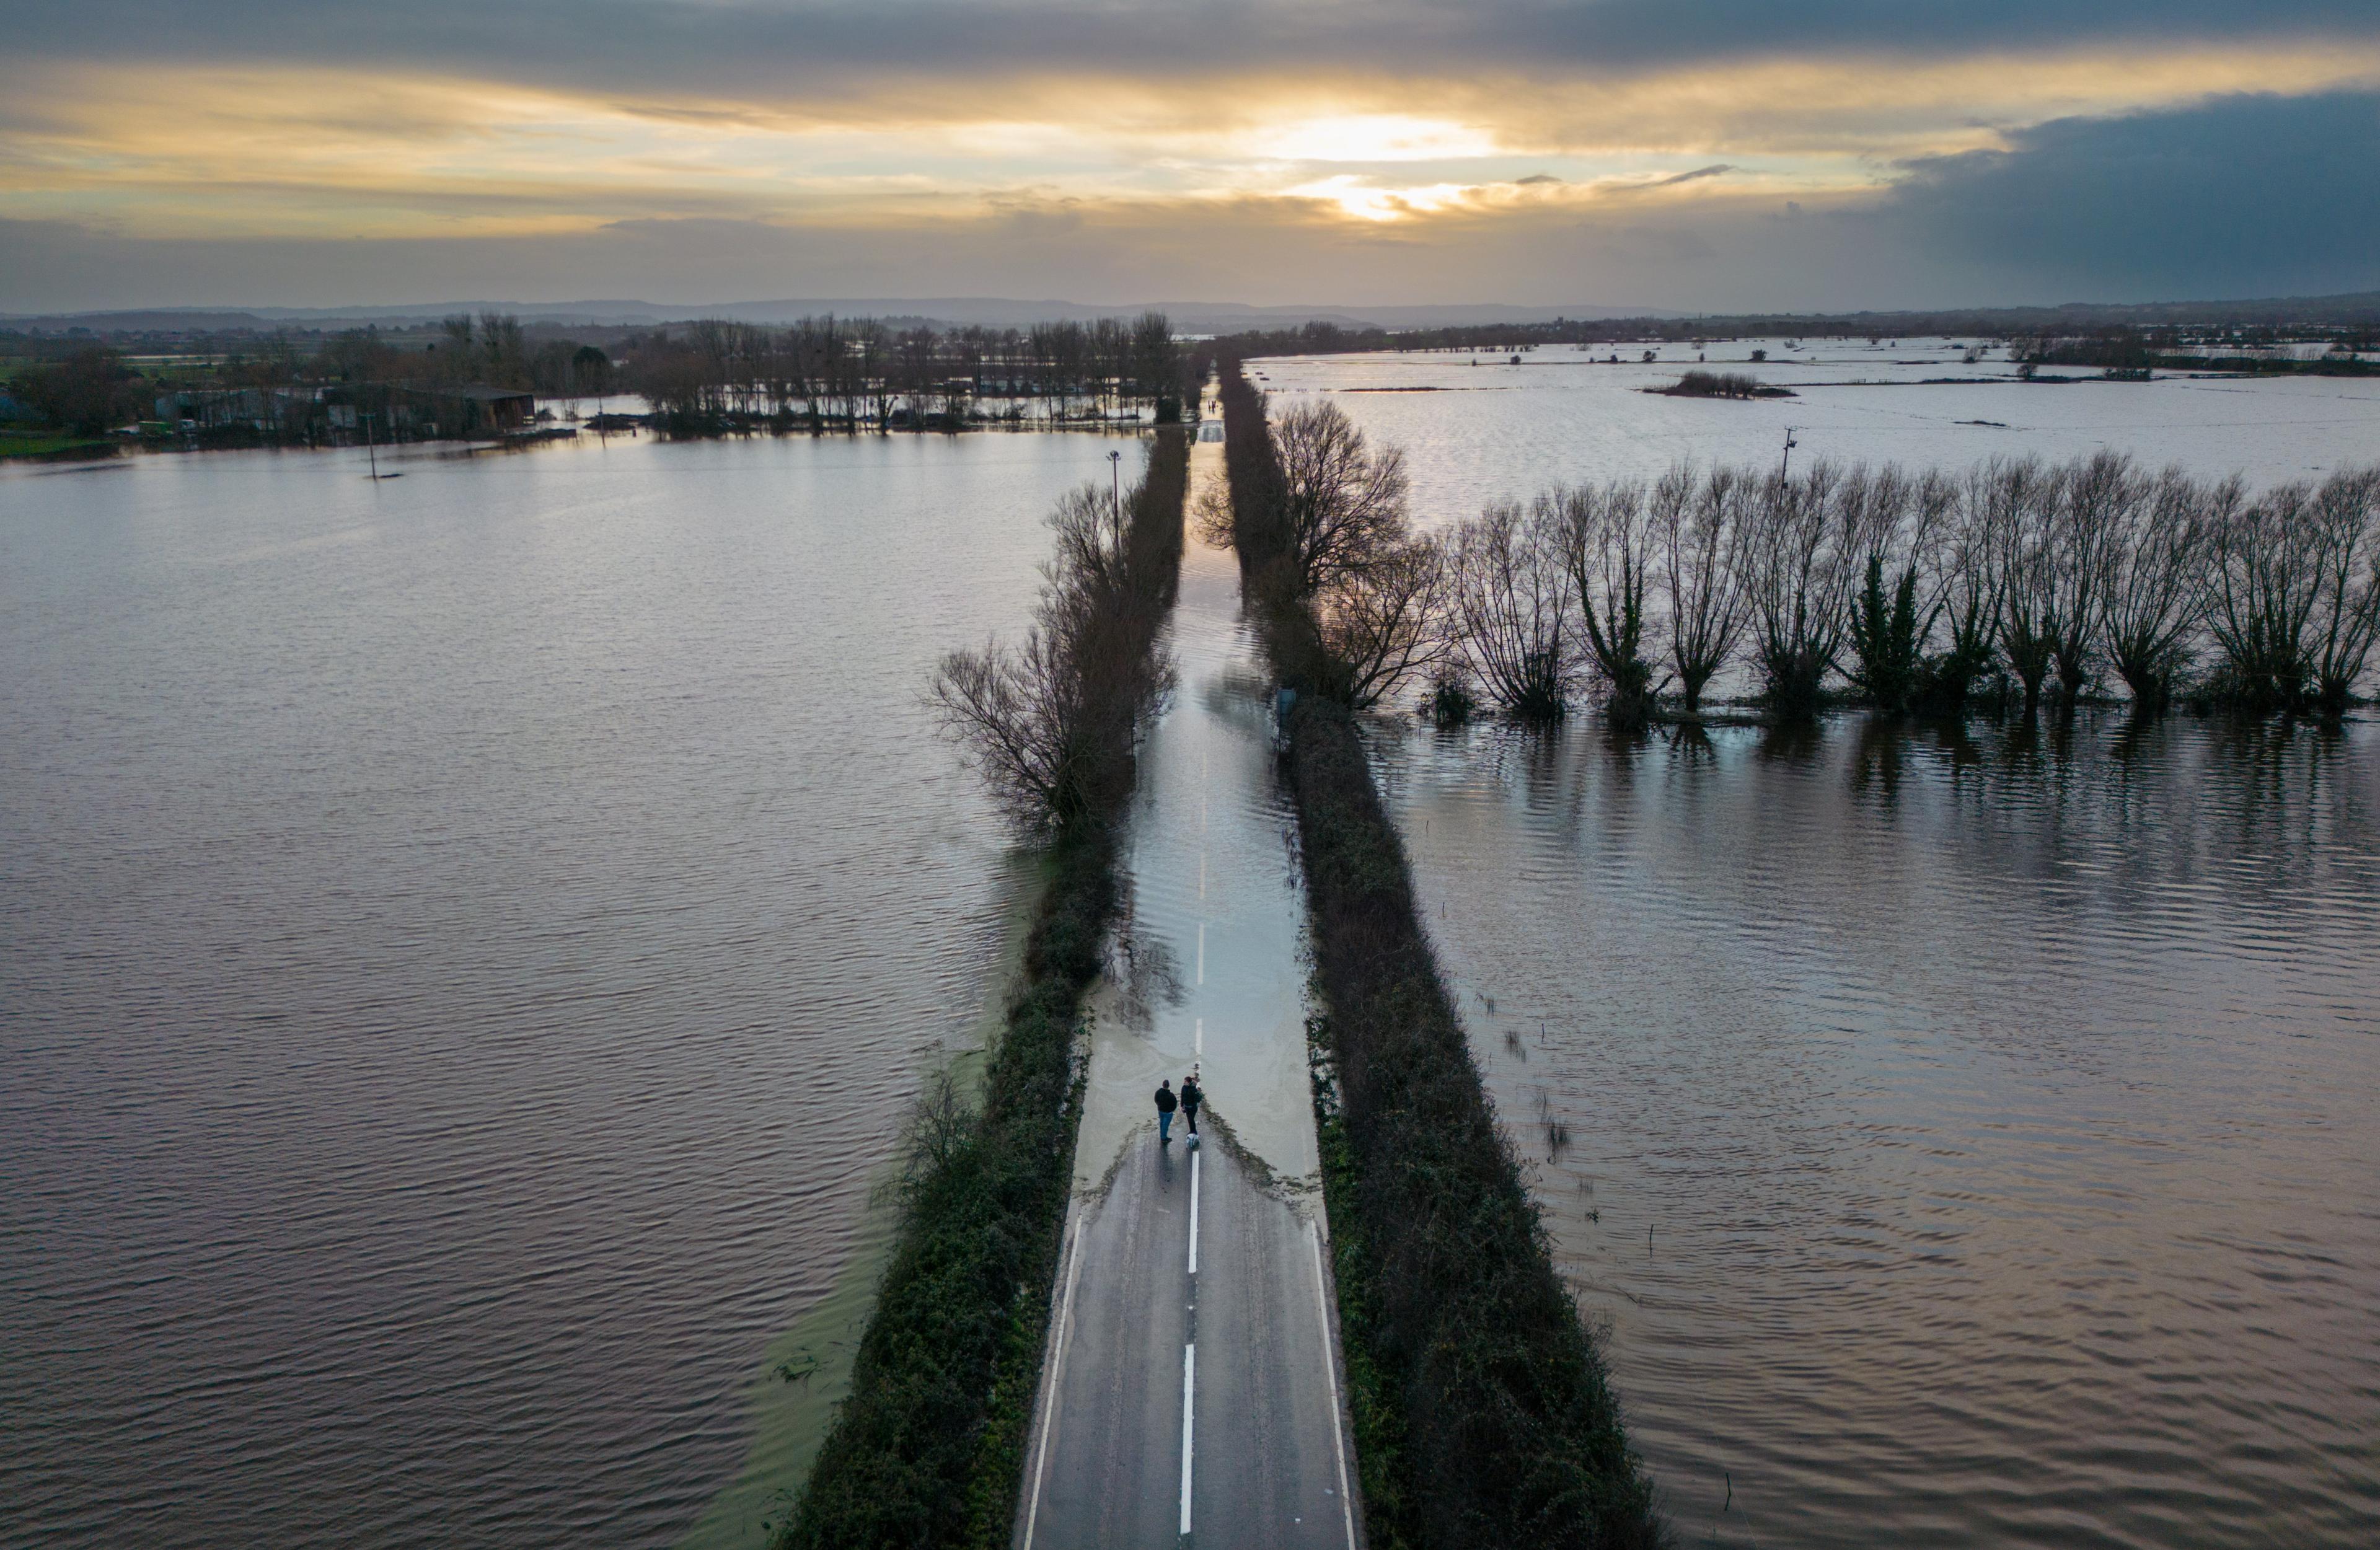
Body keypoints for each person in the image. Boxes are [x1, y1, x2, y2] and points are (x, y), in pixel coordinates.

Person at [1179, 1070, 1203, 1137]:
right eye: (1184, 1081)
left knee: (1191, 1119)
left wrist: (1195, 1103)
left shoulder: (1193, 1089)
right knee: (1189, 1120)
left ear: (1189, 1082)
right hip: (1186, 1106)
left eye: (1186, 1082)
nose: (1184, 1083)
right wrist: (1181, 1105)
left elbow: (1197, 1099)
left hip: (1193, 1107)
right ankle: (1192, 1131)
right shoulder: (1184, 1087)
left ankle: (1194, 1132)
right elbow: (1182, 1096)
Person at [1154, 1079, 1178, 1144]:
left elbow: (1156, 1099)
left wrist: (1159, 1105)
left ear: (1163, 1085)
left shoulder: (1158, 1092)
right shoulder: (1171, 1095)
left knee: (1162, 1124)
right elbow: (1175, 1104)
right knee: (1165, 1125)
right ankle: (1164, 1138)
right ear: (1169, 1086)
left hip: (1161, 1111)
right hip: (1168, 1113)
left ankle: (1162, 1136)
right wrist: (1172, 1110)